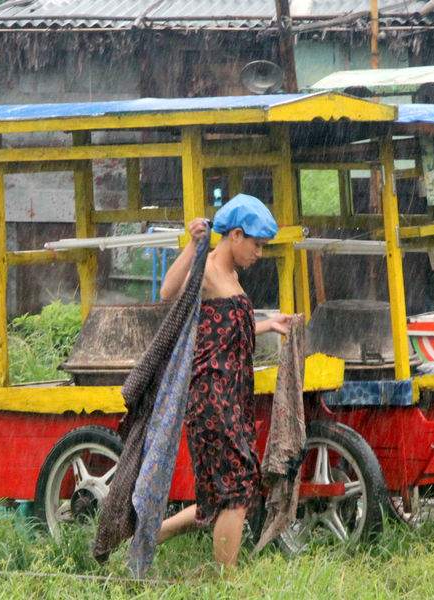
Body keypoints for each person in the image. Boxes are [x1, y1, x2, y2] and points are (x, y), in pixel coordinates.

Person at [156, 193, 292, 568]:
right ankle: (227, 581)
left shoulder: (231, 275)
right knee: (237, 487)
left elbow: (226, 328)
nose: (260, 253)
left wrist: (268, 325)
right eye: (257, 244)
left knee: (227, 490)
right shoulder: (209, 268)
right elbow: (168, 291)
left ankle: (156, 534)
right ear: (235, 234)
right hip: (211, 393)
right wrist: (194, 245)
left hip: (232, 394)